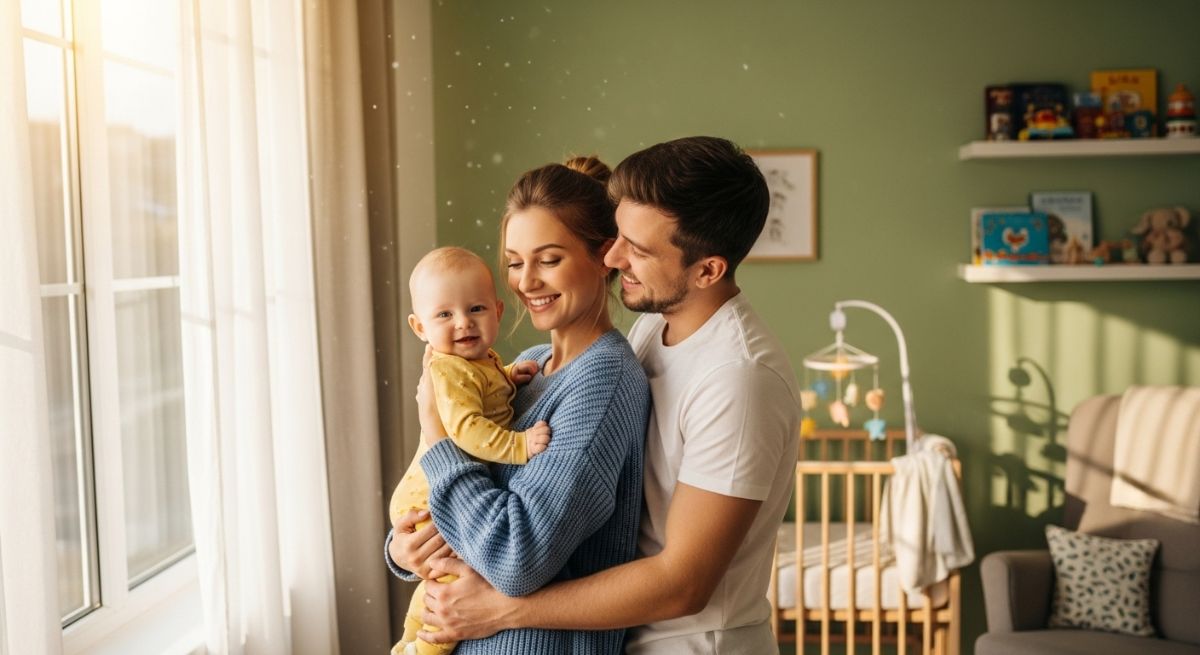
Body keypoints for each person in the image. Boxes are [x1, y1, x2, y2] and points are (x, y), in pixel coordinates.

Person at [404, 136, 802, 654]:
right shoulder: (646, 334)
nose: (613, 257)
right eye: (619, 236)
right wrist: (412, 542)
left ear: (708, 270)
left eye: (636, 249)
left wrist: (503, 608)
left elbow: (683, 581)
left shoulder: (739, 380)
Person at [385, 156, 651, 654]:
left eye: (548, 260)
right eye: (513, 262)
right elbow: (452, 497)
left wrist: (438, 435)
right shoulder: (525, 366)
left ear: (603, 255)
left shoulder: (604, 381)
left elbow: (515, 555)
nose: (526, 281)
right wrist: (406, 548)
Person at [389, 246, 553, 655]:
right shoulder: (448, 368)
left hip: (432, 488)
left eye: (476, 308)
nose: (463, 323)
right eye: (444, 315)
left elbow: (487, 393)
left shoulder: (478, 361)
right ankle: (423, 650)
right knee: (448, 591)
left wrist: (512, 375)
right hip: (428, 493)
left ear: (497, 311)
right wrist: (519, 445)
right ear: (419, 326)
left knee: (436, 584)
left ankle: (406, 643)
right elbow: (467, 429)